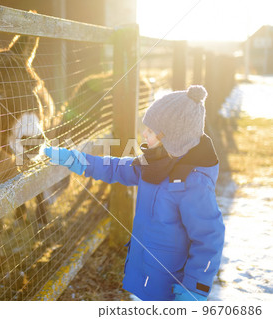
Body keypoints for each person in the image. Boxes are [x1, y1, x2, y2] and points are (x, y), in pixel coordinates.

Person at [44, 85, 225, 301]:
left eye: (151, 130)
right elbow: (116, 168)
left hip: (174, 284)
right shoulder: (153, 163)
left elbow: (209, 238)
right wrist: (77, 160)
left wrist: (195, 289)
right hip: (147, 274)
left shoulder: (194, 183)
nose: (143, 133)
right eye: (145, 127)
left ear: (173, 138)